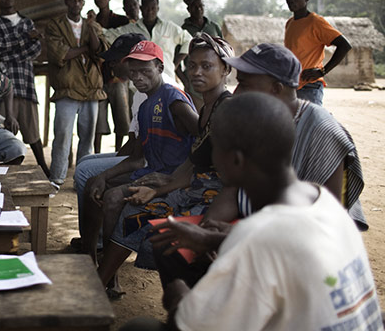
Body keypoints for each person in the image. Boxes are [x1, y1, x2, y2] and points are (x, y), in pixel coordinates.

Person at [123, 93, 382, 331]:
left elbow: (192, 322)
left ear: (234, 159)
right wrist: (214, 239)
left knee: (139, 328)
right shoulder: (321, 200)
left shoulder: (257, 239)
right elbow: (286, 247)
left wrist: (177, 294)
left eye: (216, 151)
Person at [148, 43, 368, 295]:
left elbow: (323, 225)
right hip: (258, 225)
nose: (237, 91)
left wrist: (228, 237)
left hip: (299, 245)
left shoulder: (321, 131)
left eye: (246, 84)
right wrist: (209, 225)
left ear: (276, 89)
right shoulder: (258, 119)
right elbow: (235, 188)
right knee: (169, 239)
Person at [97, 34, 233, 290]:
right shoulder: (206, 109)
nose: (196, 72)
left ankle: (104, 282)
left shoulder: (227, 109)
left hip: (213, 199)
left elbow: (234, 176)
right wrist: (157, 189)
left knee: (147, 224)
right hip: (191, 188)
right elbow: (193, 162)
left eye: (207, 66)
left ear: (225, 69)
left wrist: (169, 186)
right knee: (131, 209)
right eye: (191, 66)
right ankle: (101, 282)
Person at [80, 41, 198, 285]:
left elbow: (201, 140)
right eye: (133, 72)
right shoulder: (145, 105)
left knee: (113, 198)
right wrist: (104, 176)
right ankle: (92, 256)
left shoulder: (174, 99)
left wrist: (176, 178)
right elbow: (136, 159)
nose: (138, 77)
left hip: (172, 179)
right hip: (150, 172)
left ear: (159, 67)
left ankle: (109, 272)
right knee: (93, 183)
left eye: (146, 70)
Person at [71, 33, 148, 249]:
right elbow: (133, 140)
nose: (111, 64)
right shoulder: (138, 89)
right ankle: (92, 235)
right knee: (86, 161)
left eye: (116, 59)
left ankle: (94, 241)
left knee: (86, 172)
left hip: (150, 162)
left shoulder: (147, 90)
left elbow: (139, 154)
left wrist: (109, 171)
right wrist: (114, 163)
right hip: (140, 155)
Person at [45, 0, 108, 187]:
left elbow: (100, 52)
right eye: (73, 0)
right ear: (66, 2)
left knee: (87, 139)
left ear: (83, 2)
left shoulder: (92, 25)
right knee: (62, 136)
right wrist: (84, 48)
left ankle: (82, 179)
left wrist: (91, 29)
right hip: (67, 88)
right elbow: (59, 54)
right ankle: (56, 178)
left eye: (80, 0)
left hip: (91, 89)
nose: (76, 4)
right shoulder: (55, 25)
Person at [0, 0, 49, 175]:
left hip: (26, 85)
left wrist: (5, 56)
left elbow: (35, 51)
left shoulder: (27, 22)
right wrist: (25, 38)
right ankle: (6, 174)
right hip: (3, 89)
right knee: (4, 133)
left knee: (33, 134)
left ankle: (44, 170)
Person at [282, 0, 352, 105]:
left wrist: (322, 71)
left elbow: (344, 46)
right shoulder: (290, 23)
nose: (291, 0)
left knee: (309, 123)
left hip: (309, 87)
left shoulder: (316, 22)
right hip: (292, 86)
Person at [104, 0, 191, 85]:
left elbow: (188, 40)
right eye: (146, 8)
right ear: (141, 8)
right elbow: (107, 34)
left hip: (167, 80)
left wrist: (175, 64)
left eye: (153, 8)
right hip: (139, 84)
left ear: (158, 9)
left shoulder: (169, 27)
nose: (149, 11)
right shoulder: (130, 29)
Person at [91, 0, 131, 154]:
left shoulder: (121, 21)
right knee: (98, 121)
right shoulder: (92, 21)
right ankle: (97, 153)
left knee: (122, 118)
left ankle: (119, 151)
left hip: (118, 78)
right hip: (99, 77)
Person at [180, 0, 223, 109]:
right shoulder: (183, 30)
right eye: (194, 7)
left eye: (201, 6)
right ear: (188, 9)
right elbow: (177, 59)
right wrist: (185, 81)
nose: (198, 9)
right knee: (196, 117)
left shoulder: (214, 27)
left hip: (214, 79)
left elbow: (224, 54)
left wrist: (223, 76)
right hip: (193, 81)